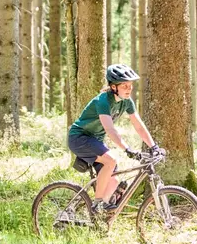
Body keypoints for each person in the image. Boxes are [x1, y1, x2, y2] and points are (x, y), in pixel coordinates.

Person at [68, 64, 162, 214]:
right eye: (124, 85)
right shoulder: (103, 101)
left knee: (114, 180)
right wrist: (127, 149)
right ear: (113, 87)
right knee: (110, 160)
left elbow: (138, 125)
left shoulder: (127, 101)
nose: (129, 89)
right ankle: (97, 203)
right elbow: (109, 129)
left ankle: (97, 217)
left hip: (95, 141)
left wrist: (153, 146)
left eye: (130, 85)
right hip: (79, 137)